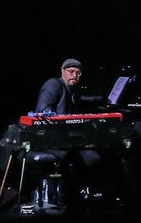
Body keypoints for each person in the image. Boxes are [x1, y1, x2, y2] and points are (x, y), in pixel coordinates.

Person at [30, 57, 103, 209]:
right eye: (71, 72)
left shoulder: (73, 92)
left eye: (78, 73)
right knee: (86, 156)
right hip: (50, 140)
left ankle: (84, 195)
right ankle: (70, 197)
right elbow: (43, 111)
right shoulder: (53, 84)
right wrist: (52, 115)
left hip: (65, 140)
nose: (74, 75)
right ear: (62, 72)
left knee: (95, 153)